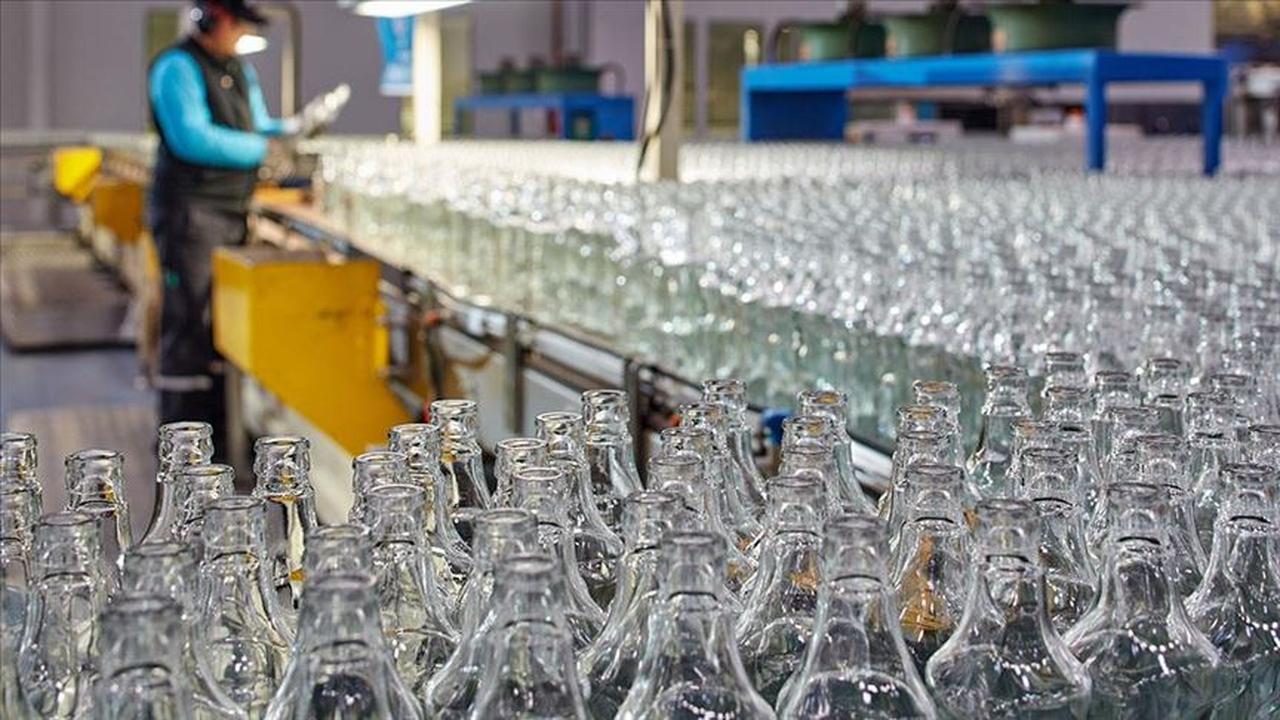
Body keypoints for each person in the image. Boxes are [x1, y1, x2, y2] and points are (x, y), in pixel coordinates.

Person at [147, 0, 296, 457]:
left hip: (230, 212)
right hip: (191, 214)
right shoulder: (177, 67)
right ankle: (181, 447)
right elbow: (191, 136)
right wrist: (261, 152)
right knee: (189, 322)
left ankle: (219, 436)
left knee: (221, 327)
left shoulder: (237, 68)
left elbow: (256, 122)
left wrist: (290, 130)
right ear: (214, 18)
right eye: (238, 24)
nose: (241, 35)